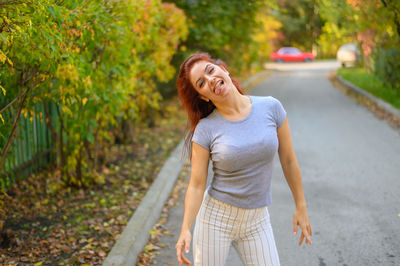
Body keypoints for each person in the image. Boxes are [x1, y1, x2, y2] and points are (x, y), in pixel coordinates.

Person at [175, 52, 312, 266]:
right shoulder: (206, 129)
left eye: (210, 70)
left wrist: (301, 206)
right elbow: (196, 184)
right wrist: (185, 229)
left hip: (257, 221)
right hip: (216, 220)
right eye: (201, 83)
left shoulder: (271, 107)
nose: (210, 80)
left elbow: (288, 160)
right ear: (203, 96)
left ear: (223, 69)